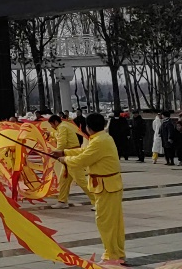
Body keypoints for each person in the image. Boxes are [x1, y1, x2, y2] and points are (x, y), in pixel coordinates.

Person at [54, 113, 125, 265]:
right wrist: (64, 152)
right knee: (113, 222)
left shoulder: (99, 141)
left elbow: (83, 159)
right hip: (108, 185)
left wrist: (64, 159)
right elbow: (84, 152)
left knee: (105, 222)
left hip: (106, 186)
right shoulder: (102, 138)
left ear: (88, 127)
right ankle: (117, 253)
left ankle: (111, 255)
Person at [48, 114, 83, 209]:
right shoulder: (63, 127)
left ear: (55, 122)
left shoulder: (62, 127)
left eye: (52, 124)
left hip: (72, 156)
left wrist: (56, 152)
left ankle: (97, 200)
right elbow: (57, 135)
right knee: (64, 180)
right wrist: (50, 134)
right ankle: (62, 201)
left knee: (81, 180)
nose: (52, 127)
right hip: (68, 155)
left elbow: (62, 142)